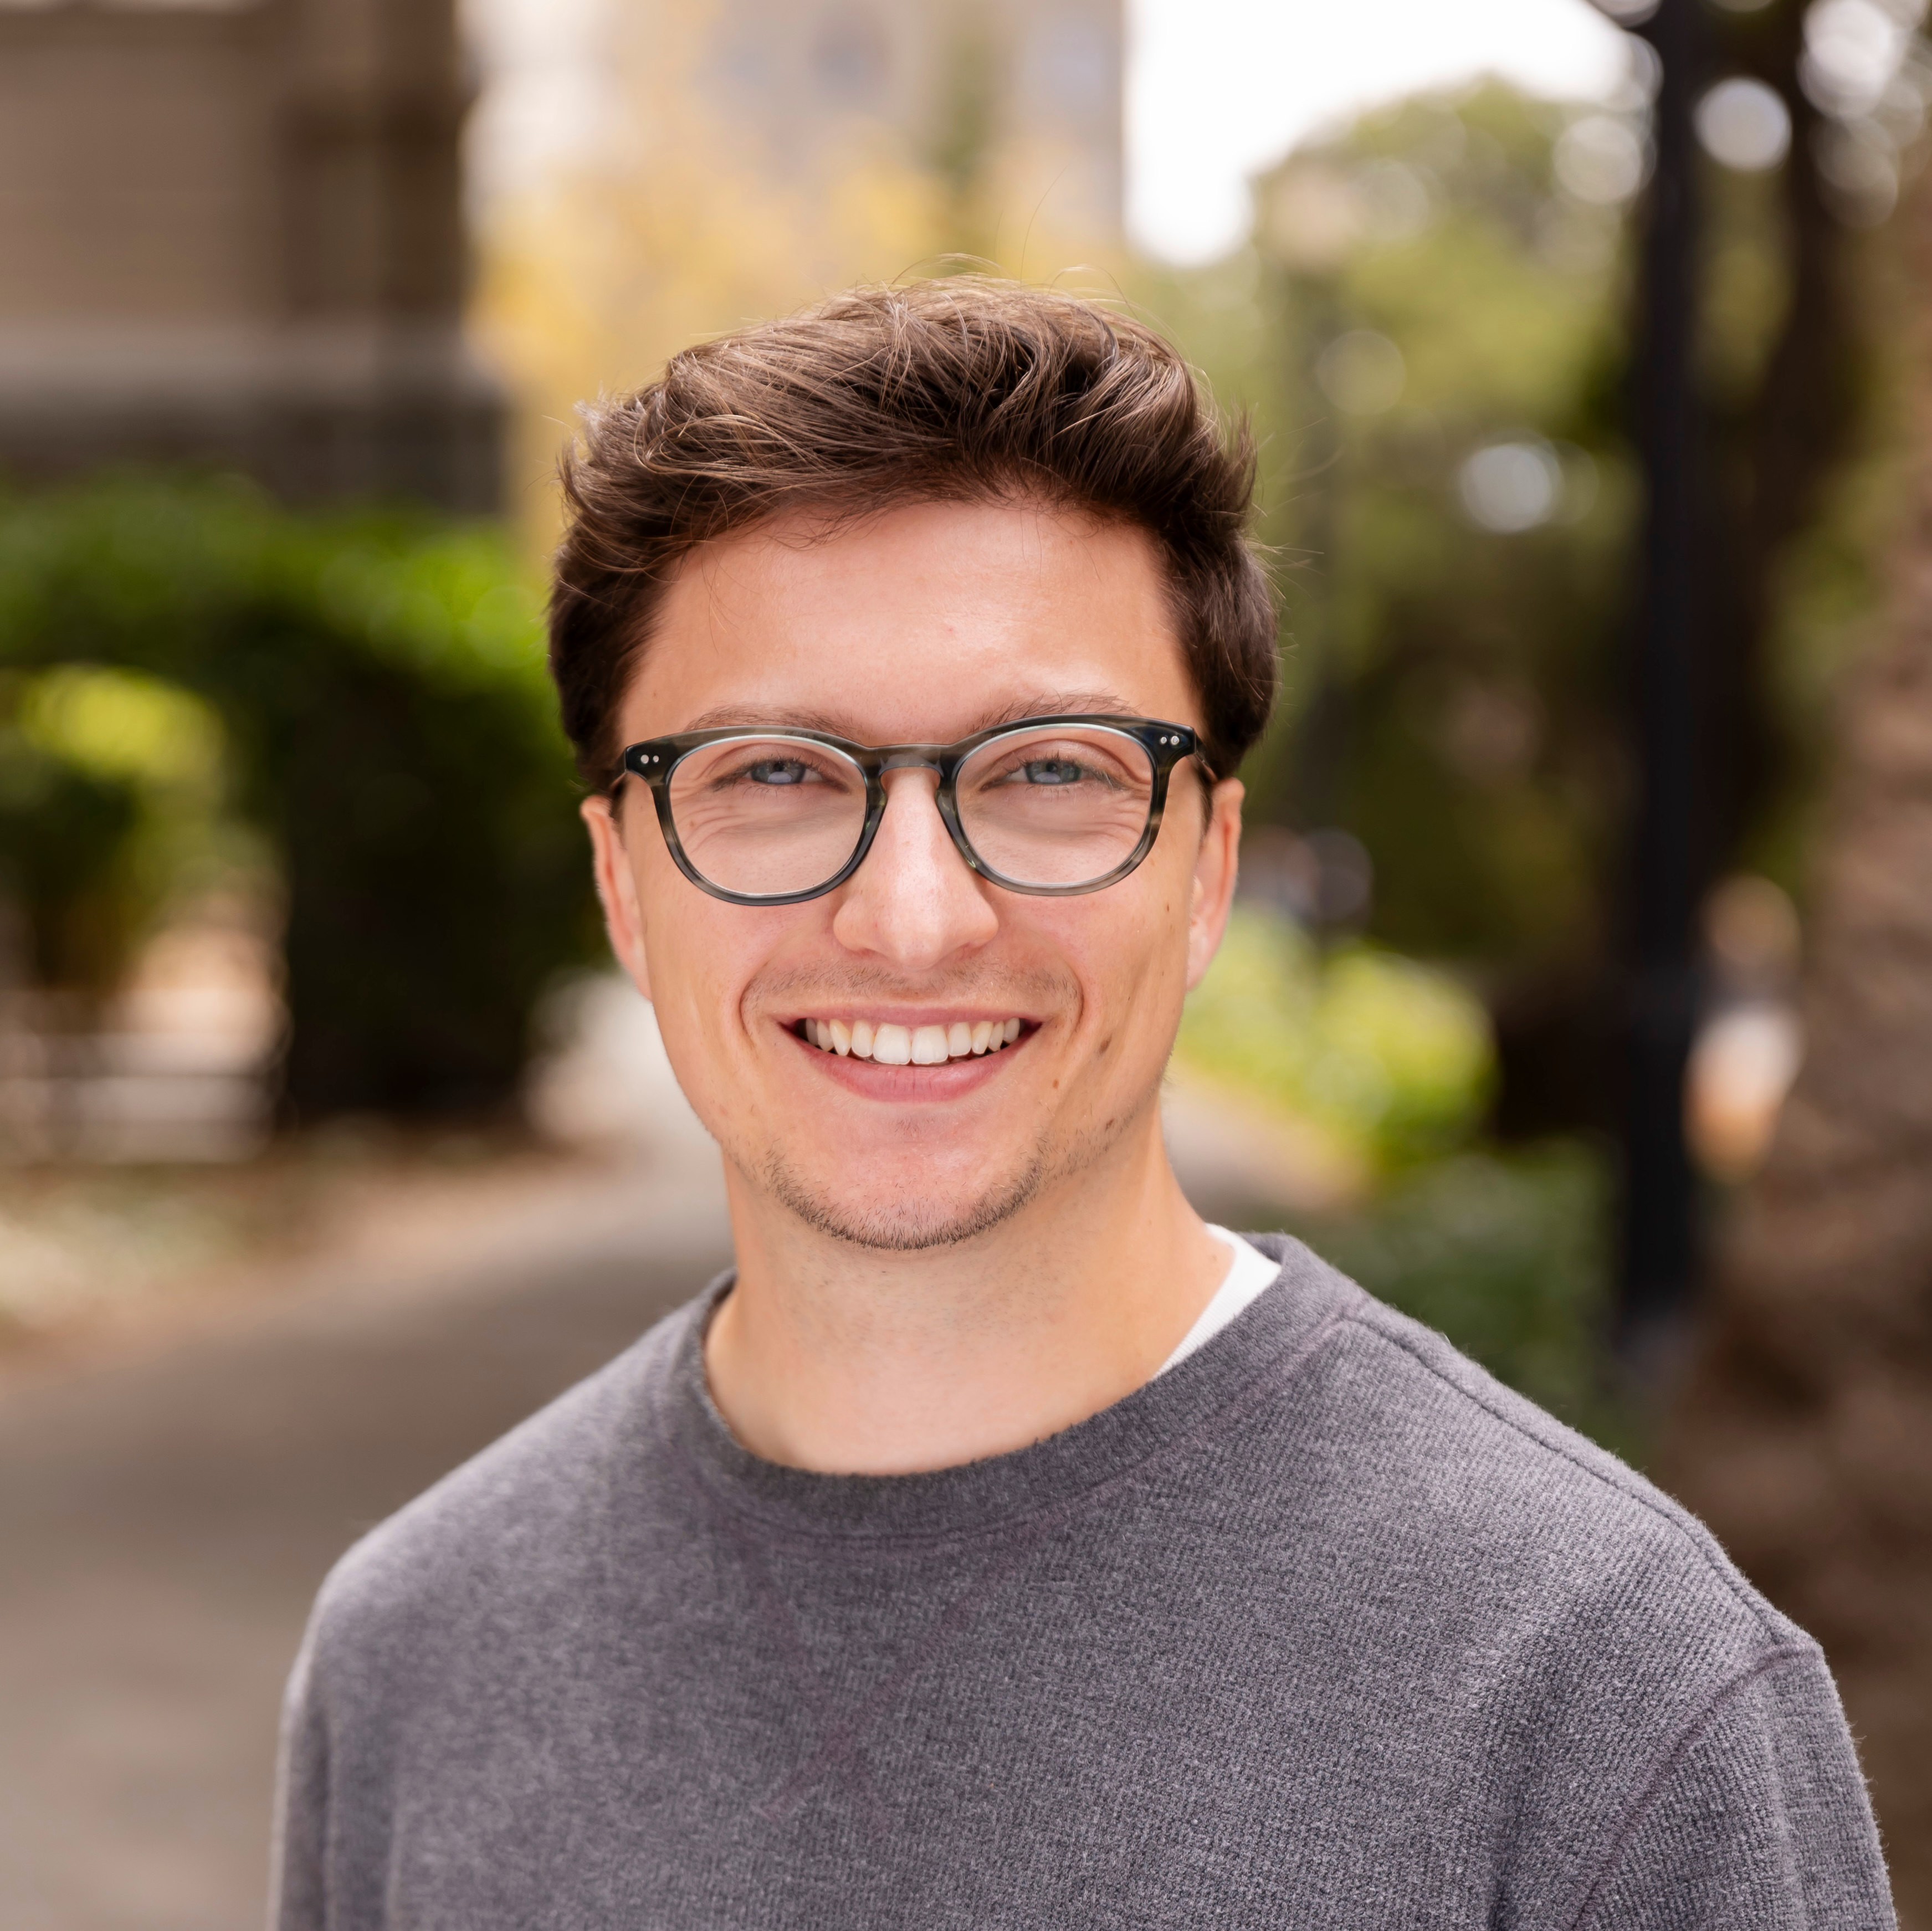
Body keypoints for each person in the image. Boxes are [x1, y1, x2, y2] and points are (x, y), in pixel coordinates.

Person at [271, 281, 1894, 1929]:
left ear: (1209, 870)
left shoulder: (1606, 1687)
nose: (913, 918)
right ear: (622, 882)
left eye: (1049, 769)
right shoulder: (419, 1649)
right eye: (771, 772)